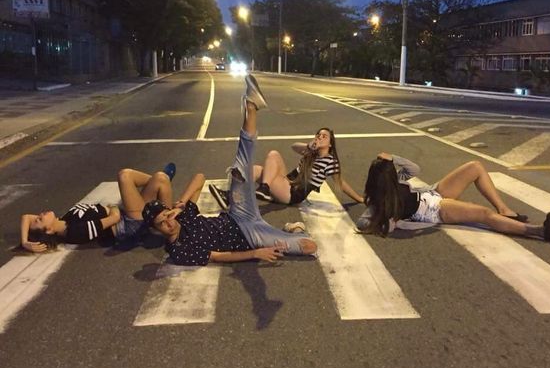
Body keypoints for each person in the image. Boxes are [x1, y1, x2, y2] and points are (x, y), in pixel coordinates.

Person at [142, 75, 317, 265]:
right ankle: (295, 229)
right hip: (251, 238)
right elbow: (218, 257)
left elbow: (200, 178)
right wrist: (256, 253)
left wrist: (180, 205)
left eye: (166, 216)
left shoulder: (183, 217)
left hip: (238, 214)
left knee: (242, 166)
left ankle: (251, 105)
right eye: (162, 223)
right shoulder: (178, 249)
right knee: (309, 247)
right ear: (157, 229)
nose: (168, 223)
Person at [356, 153, 550, 242]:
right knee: (483, 214)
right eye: (392, 168)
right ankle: (538, 231)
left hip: (433, 193)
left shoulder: (396, 180)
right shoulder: (379, 203)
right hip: (434, 209)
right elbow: (362, 222)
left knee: (475, 167)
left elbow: (415, 169)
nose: (396, 169)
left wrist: (394, 157)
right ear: (386, 178)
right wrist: (389, 222)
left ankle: (504, 210)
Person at [20, 163, 177, 253]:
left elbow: (25, 217)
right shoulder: (74, 231)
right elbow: (113, 218)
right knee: (125, 175)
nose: (40, 214)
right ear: (48, 230)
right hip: (129, 224)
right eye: (40, 219)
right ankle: (172, 225)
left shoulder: (67, 218)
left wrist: (25, 242)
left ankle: (162, 189)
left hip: (126, 215)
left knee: (160, 179)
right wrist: (113, 207)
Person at [251, 127, 363, 206]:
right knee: (269, 158)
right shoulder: (311, 152)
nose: (320, 137)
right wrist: (308, 146)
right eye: (318, 135)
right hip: (287, 182)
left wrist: (359, 199)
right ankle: (263, 189)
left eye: (324, 136)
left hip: (292, 193)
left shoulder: (330, 161)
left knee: (263, 164)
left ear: (330, 144)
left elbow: (340, 183)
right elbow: (293, 146)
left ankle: (265, 188)